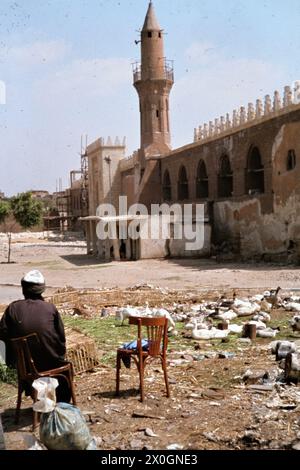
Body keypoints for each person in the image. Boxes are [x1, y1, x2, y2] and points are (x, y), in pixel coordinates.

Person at [0, 270, 71, 402]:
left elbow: (3, 336)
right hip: (50, 364)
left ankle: (36, 394)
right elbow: (61, 340)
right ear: (41, 290)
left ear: (23, 289)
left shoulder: (12, 308)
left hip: (24, 367)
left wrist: (11, 360)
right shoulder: (50, 308)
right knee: (64, 367)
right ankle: (59, 402)